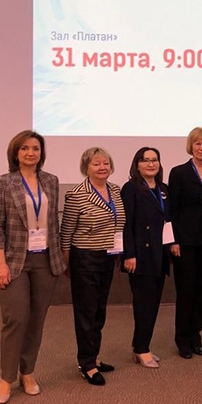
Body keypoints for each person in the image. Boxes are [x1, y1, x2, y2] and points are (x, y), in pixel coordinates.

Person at [0, 130, 66, 404]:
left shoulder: (51, 181)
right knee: (16, 319)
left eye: (35, 148)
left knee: (36, 319)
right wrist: (0, 264)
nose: (30, 153)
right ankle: (6, 378)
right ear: (16, 153)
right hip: (12, 260)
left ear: (41, 153)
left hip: (45, 260)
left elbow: (53, 221)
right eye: (24, 148)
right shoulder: (3, 182)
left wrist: (61, 256)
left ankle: (28, 372)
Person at [60, 147, 125, 386]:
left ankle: (93, 357)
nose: (102, 167)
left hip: (108, 257)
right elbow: (66, 232)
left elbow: (118, 223)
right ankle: (86, 364)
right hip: (84, 259)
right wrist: (67, 262)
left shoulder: (115, 190)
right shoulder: (77, 194)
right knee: (86, 313)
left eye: (105, 163)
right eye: (96, 164)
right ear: (86, 167)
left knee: (99, 311)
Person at [169, 127, 202, 358]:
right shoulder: (178, 173)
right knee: (186, 290)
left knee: (201, 290)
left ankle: (195, 336)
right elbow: (172, 210)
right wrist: (173, 241)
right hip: (184, 242)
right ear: (191, 146)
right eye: (198, 143)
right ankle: (182, 339)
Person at [121, 147, 173, 368]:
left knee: (152, 304)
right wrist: (129, 254)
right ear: (137, 164)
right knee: (144, 304)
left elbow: (168, 221)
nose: (151, 164)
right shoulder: (131, 188)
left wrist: (172, 245)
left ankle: (141, 346)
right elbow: (126, 224)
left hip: (159, 254)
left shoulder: (163, 189)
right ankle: (142, 349)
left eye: (154, 160)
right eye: (145, 160)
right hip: (140, 256)